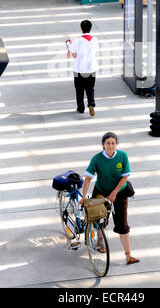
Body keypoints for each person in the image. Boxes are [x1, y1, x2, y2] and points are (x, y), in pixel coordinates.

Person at [79, 132, 139, 265]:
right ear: (103, 145)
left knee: (122, 224)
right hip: (101, 191)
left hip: (120, 193)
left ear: (116, 144)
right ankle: (101, 242)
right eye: (108, 143)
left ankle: (128, 256)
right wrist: (83, 197)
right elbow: (88, 178)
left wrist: (115, 193)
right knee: (99, 219)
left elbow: (124, 176)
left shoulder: (122, 156)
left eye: (113, 143)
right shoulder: (97, 159)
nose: (110, 146)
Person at [66, 20, 98, 116]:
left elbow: (69, 55)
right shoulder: (94, 40)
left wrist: (70, 46)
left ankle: (80, 108)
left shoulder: (76, 41)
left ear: (81, 29)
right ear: (90, 28)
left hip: (78, 69)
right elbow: (93, 52)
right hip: (91, 68)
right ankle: (91, 104)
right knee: (90, 88)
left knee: (79, 90)